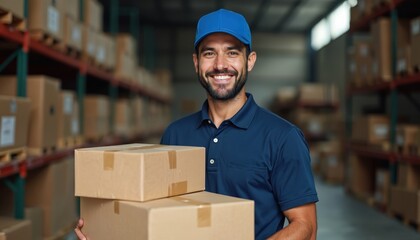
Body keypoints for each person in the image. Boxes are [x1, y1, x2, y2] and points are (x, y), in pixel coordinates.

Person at [75, 8, 318, 240]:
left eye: (232, 52)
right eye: (209, 53)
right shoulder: (175, 135)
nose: (220, 64)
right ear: (196, 62)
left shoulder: (282, 138)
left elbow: (305, 227)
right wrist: (107, 228)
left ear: (250, 60)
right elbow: (152, 214)